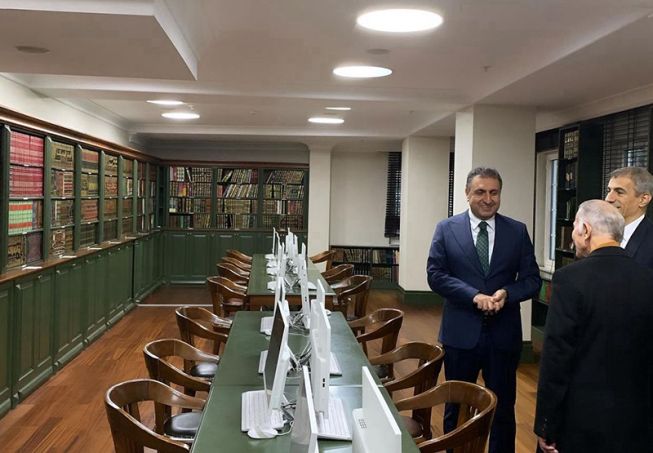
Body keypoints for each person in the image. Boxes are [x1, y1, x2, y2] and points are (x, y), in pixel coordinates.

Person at [427, 167, 541, 453]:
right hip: (460, 334)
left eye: (494, 192)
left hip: (504, 336)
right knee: (457, 407)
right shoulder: (446, 229)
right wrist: (473, 296)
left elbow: (532, 280)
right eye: (480, 192)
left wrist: (507, 293)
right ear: (467, 193)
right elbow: (436, 275)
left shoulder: (517, 231)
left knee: (503, 409)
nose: (488, 199)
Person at [534, 200, 653, 453]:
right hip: (637, 419)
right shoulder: (647, 279)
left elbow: (557, 357)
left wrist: (546, 424)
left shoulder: (569, 279)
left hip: (581, 420)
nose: (572, 238)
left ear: (585, 230)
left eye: (575, 227)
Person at [604, 166, 653, 268]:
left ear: (643, 199)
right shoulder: (597, 232)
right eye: (609, 191)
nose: (608, 199)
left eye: (619, 192)